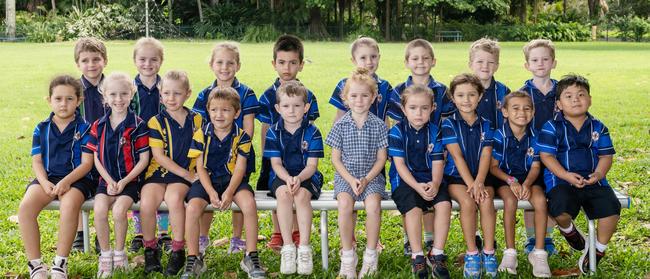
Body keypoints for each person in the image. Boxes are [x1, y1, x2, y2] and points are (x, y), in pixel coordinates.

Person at [538, 74, 619, 274]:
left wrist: (599, 174)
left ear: (589, 99)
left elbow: (606, 156)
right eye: (569, 96)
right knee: (559, 210)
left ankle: (598, 250)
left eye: (581, 94)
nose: (576, 99)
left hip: (594, 181)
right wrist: (565, 175)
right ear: (558, 103)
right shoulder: (551, 127)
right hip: (562, 180)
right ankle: (568, 231)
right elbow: (547, 156)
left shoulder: (599, 127)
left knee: (612, 209)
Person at [183, 87, 266, 279]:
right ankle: (193, 257)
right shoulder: (200, 135)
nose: (219, 115)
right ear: (208, 110)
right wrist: (211, 192)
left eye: (225, 110)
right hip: (207, 181)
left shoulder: (242, 137)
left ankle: (250, 255)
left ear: (236, 113)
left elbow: (240, 168)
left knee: (248, 203)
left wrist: (229, 192)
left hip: (233, 181)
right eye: (214, 110)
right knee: (193, 208)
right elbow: (200, 168)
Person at [19, 75, 95, 279]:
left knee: (69, 205)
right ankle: (35, 264)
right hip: (48, 177)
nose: (63, 104)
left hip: (78, 178)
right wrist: (44, 182)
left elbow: (87, 164)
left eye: (70, 99)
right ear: (49, 100)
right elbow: (37, 161)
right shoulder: (41, 128)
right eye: (58, 98)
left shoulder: (85, 128)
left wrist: (66, 182)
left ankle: (60, 263)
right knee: (25, 208)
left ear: (79, 100)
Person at [192, 41, 260, 255]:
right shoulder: (205, 94)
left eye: (230, 62)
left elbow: (248, 127)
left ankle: (237, 239)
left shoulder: (246, 93)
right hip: (210, 154)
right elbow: (200, 127)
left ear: (238, 66)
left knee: (239, 189)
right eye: (219, 62)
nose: (224, 67)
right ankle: (202, 237)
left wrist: (238, 148)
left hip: (238, 153)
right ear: (212, 65)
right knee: (205, 192)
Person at [257, 34, 319, 250]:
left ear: (301, 65)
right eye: (282, 62)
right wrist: (266, 153)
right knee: (276, 190)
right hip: (275, 155)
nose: (287, 67)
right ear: (274, 64)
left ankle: (295, 230)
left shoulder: (308, 95)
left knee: (297, 189)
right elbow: (264, 126)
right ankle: (277, 232)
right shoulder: (267, 95)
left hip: (300, 156)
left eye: (293, 62)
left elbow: (309, 129)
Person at [326, 68, 388, 278]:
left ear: (372, 98)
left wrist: (367, 178)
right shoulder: (340, 126)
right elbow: (335, 159)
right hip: (347, 176)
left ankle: (370, 256)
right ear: (345, 99)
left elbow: (381, 159)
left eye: (364, 95)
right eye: (353, 95)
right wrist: (351, 179)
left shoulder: (379, 126)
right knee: (344, 205)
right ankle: (348, 256)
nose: (359, 100)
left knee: (373, 206)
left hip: (371, 177)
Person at [87, 73, 150, 278]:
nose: (118, 99)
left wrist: (123, 182)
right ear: (104, 96)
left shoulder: (138, 125)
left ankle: (120, 254)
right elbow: (96, 157)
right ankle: (105, 257)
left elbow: (143, 159)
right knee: (99, 210)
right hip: (106, 181)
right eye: (113, 94)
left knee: (119, 211)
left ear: (131, 94)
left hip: (130, 181)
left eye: (124, 93)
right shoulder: (99, 125)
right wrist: (108, 180)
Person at [140, 70, 203, 275]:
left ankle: (177, 250)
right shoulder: (155, 121)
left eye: (177, 93)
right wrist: (186, 175)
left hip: (185, 171)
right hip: (159, 171)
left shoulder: (197, 120)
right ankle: (150, 249)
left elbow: (202, 149)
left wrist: (190, 174)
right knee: (148, 202)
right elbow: (158, 156)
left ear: (187, 94)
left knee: (174, 199)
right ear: (160, 94)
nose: (171, 98)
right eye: (166, 93)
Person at [387, 84, 451, 279]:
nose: (419, 113)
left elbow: (438, 161)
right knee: (413, 210)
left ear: (433, 108)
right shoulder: (397, 132)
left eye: (424, 108)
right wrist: (417, 187)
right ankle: (417, 256)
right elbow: (400, 166)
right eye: (413, 108)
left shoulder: (435, 131)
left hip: (431, 179)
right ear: (404, 110)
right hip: (405, 182)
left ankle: (437, 252)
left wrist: (436, 183)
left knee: (444, 205)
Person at [488, 91, 551, 277]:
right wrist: (512, 181)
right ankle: (510, 252)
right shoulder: (499, 136)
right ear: (505, 111)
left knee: (540, 202)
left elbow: (536, 166)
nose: (522, 112)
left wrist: (527, 183)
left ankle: (539, 253)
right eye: (515, 108)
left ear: (533, 112)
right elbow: (493, 167)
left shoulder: (536, 135)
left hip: (530, 178)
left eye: (527, 108)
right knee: (510, 202)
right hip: (504, 178)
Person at [264, 81, 324, 275]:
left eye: (297, 106)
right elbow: (276, 164)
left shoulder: (313, 131)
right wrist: (288, 178)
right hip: (281, 175)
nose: (292, 111)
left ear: (306, 108)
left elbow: (312, 166)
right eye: (286, 106)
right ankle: (288, 247)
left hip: (307, 175)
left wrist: (298, 178)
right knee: (283, 195)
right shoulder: (273, 132)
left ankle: (304, 247)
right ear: (278, 108)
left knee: (301, 197)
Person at [441, 73, 496, 278]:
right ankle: (472, 252)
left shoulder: (487, 124)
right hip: (457, 177)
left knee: (486, 200)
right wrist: (472, 184)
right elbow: (456, 157)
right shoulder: (448, 124)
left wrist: (479, 182)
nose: (466, 100)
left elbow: (486, 155)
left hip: (482, 177)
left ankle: (489, 253)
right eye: (461, 95)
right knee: (467, 202)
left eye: (472, 94)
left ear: (480, 96)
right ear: (453, 98)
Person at [128, 36, 172, 254]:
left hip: (162, 147)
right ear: (135, 60)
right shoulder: (130, 89)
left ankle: (163, 232)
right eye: (142, 59)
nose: (148, 64)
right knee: (138, 189)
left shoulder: (167, 87)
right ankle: (139, 232)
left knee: (161, 187)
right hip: (136, 147)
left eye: (153, 59)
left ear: (160, 61)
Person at [520, 39, 560, 254]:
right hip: (531, 154)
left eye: (546, 59)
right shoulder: (522, 93)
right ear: (527, 65)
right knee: (532, 195)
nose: (541, 63)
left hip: (556, 153)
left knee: (550, 192)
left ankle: (548, 238)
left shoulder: (562, 91)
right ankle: (531, 238)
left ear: (554, 63)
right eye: (535, 60)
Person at [71, 37, 109, 252]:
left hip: (106, 150)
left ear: (105, 60)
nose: (91, 65)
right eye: (85, 60)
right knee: (77, 183)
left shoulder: (112, 86)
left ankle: (99, 231)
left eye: (96, 59)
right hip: (82, 149)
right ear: (78, 64)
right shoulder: (75, 89)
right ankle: (79, 232)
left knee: (103, 190)